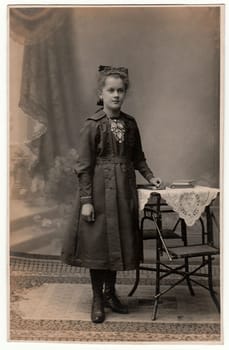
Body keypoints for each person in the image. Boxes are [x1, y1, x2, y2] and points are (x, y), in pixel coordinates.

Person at [61, 65, 162, 323]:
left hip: (123, 192)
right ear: (101, 93)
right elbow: (83, 166)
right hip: (98, 192)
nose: (116, 95)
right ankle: (97, 298)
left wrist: (151, 177)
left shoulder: (130, 124)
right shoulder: (93, 125)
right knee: (99, 246)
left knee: (118, 243)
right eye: (111, 90)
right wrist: (86, 201)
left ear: (124, 93)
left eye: (120, 90)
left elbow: (138, 157)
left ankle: (110, 294)